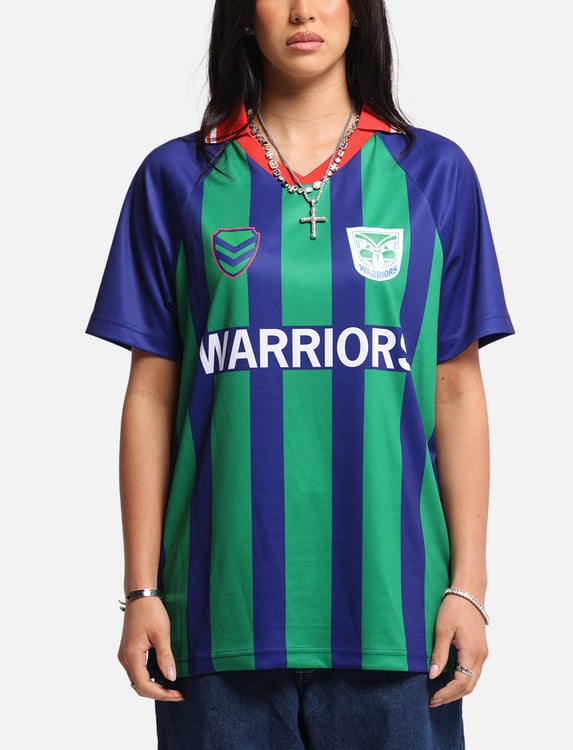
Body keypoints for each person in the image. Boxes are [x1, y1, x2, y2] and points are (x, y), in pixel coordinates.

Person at [87, 1, 514, 747]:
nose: (303, 9)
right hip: (215, 617)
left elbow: (455, 390)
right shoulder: (176, 178)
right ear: (242, 15)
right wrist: (142, 589)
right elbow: (151, 396)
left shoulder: (435, 174)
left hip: (400, 619)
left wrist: (468, 588)